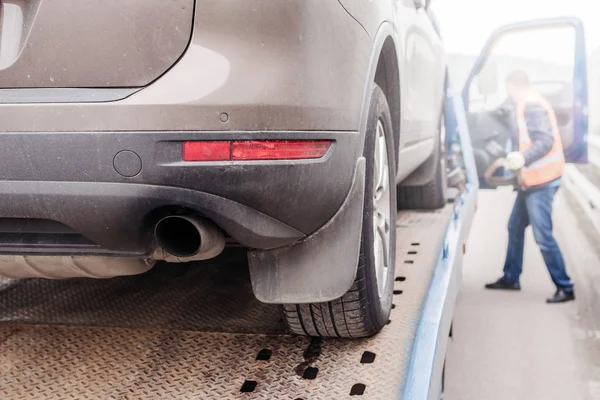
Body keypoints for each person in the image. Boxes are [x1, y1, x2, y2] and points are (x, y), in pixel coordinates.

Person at [485, 70, 575, 303]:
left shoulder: (532, 105)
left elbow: (545, 141)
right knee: (514, 227)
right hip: (532, 181)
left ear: (513, 86)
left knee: (543, 236)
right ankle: (511, 278)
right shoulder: (527, 103)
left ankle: (565, 287)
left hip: (542, 182)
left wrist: (522, 158)